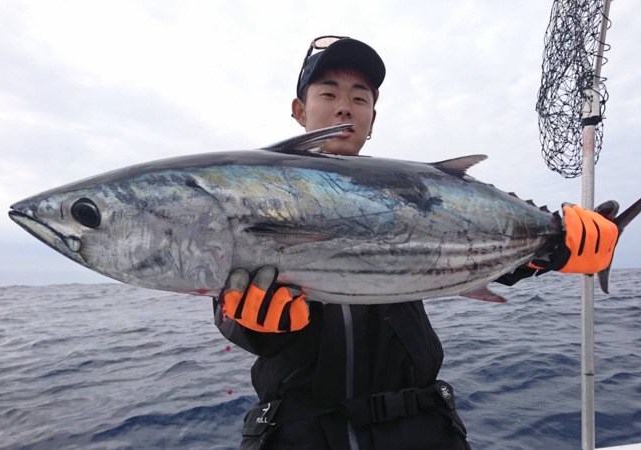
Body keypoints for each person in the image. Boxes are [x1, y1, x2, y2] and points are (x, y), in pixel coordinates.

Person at [213, 36, 618, 450]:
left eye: (360, 98)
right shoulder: (255, 191)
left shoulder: (412, 192)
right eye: (328, 93)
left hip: (416, 428)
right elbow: (230, 311)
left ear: (372, 118)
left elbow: (470, 241)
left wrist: (551, 248)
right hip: (299, 432)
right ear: (299, 110)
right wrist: (254, 325)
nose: (343, 106)